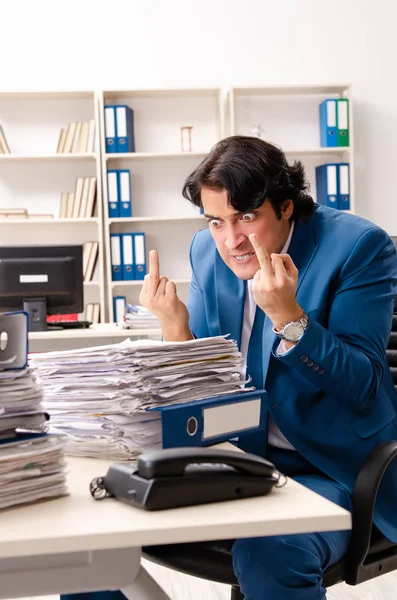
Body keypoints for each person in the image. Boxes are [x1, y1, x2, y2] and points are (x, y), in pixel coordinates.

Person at [64, 136, 397, 600]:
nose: (231, 240)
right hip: (234, 459)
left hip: (331, 468)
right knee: (89, 529)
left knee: (271, 552)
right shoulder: (206, 252)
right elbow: (211, 380)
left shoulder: (360, 247)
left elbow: (363, 385)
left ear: (285, 208)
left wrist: (291, 319)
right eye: (216, 221)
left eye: (246, 217)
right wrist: (177, 332)